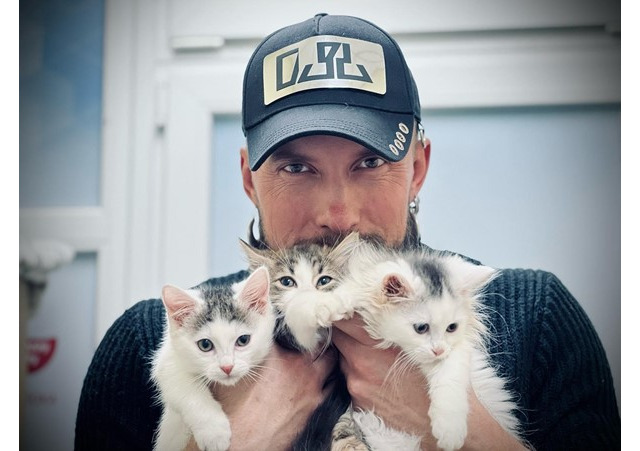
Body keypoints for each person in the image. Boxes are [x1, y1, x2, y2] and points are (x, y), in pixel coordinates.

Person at [75, 13, 620, 450]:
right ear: (248, 179)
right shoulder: (149, 344)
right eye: (297, 168)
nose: (337, 215)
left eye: (369, 163)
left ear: (418, 168)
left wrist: (462, 430)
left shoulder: (534, 318)